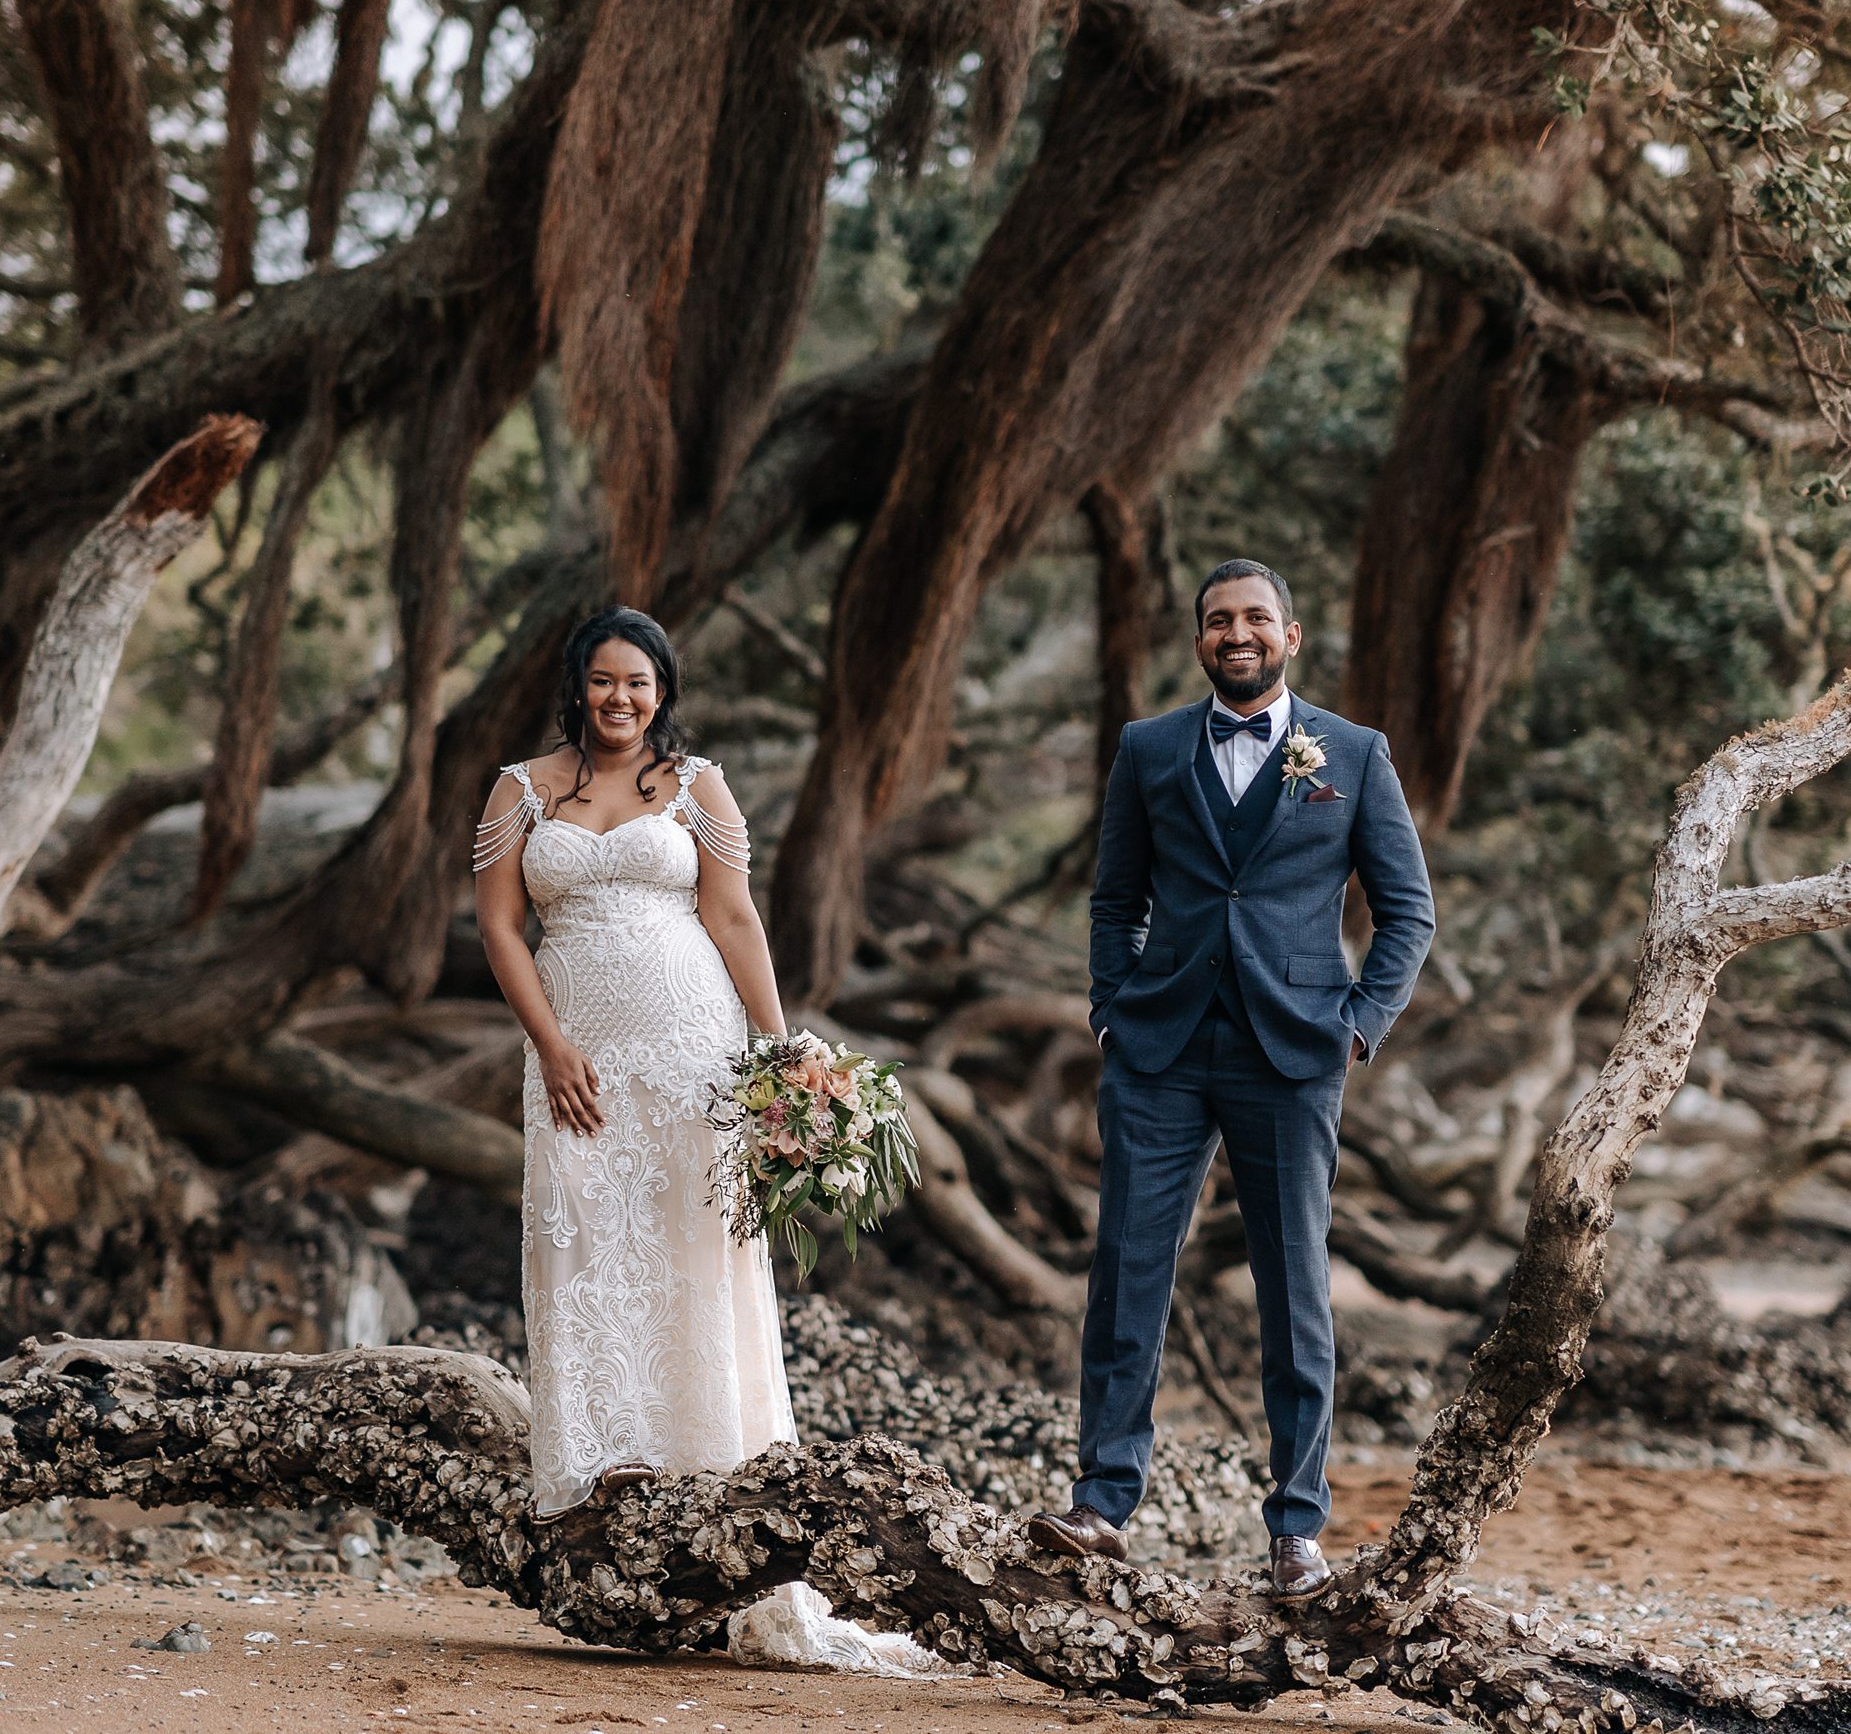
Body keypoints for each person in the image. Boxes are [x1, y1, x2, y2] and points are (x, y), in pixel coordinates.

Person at [473, 606, 933, 1675]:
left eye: (639, 681)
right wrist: (550, 1044)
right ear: (576, 686)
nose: (620, 697)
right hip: (578, 1062)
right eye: (602, 680)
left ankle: (719, 1497)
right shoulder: (520, 789)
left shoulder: (695, 785)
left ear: (663, 689)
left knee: (695, 1262)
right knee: (585, 1256)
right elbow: (499, 925)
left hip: (692, 1056)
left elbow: (733, 919)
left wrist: (782, 1062)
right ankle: (597, 1504)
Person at [1028, 559, 1435, 1603]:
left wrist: (1359, 1026)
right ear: (1200, 638)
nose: (1237, 633)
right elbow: (1114, 897)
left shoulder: (1353, 752)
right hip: (1159, 1050)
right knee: (1128, 1271)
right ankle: (1102, 1502)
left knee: (1295, 1283)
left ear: (1290, 635)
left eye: (1257, 618)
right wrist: (1113, 1005)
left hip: (1295, 1052)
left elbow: (1408, 911)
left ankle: (1298, 1526)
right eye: (1219, 620)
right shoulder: (1150, 747)